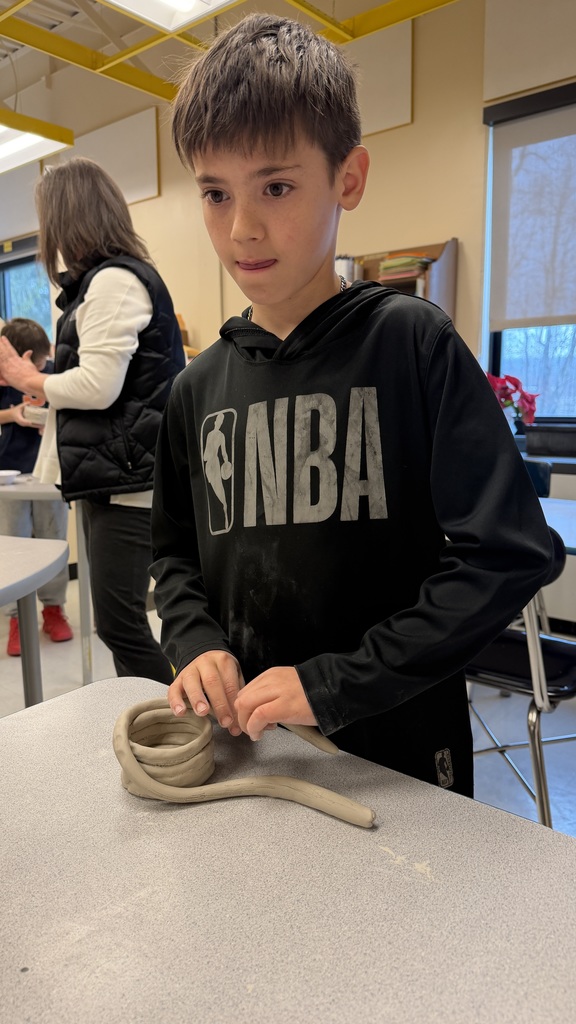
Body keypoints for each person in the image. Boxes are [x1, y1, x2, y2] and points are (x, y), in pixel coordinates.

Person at [149, 13, 553, 796]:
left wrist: (337, 682)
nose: (242, 227)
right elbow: (173, 558)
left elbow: (508, 555)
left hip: (399, 756)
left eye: (275, 185)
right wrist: (195, 641)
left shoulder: (413, 345)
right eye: (214, 193)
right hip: (250, 757)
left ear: (349, 177)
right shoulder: (193, 392)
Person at [0, 158, 185, 684]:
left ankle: (189, 725)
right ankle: (159, 723)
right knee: (119, 623)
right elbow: (102, 388)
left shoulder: (115, 283)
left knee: (120, 626)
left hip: (129, 483)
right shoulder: (98, 286)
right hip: (112, 476)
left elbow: (97, 387)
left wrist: (23, 375)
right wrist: (41, 405)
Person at [0, 317, 72, 656]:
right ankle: (17, 618)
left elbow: (73, 403)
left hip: (51, 470)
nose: (43, 370)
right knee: (13, 540)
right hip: (9, 472)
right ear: (24, 355)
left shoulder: (57, 369)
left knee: (53, 536)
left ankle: (54, 608)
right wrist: (13, 414)